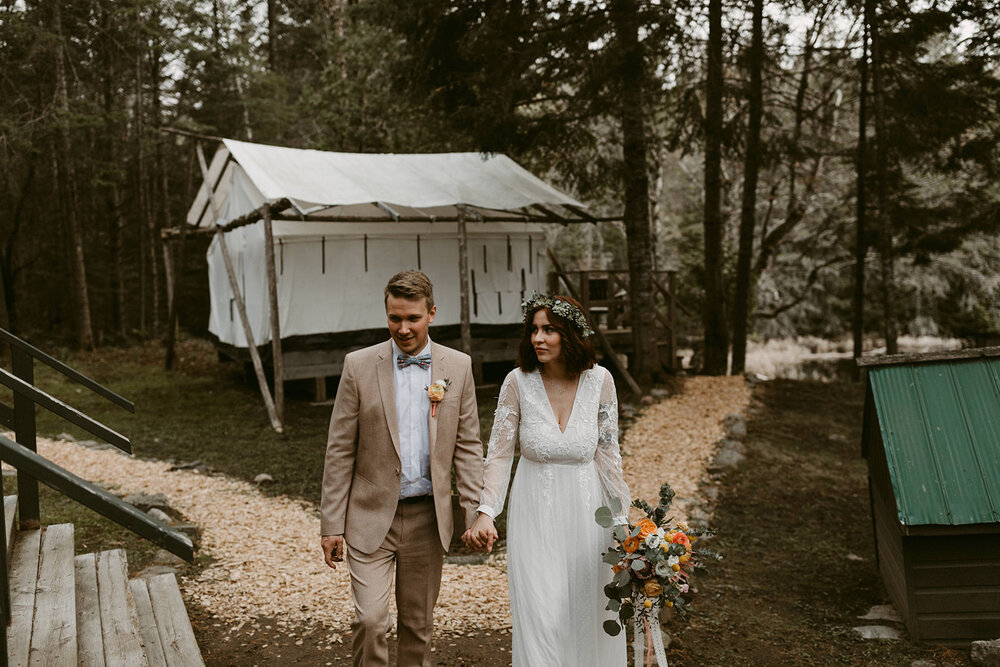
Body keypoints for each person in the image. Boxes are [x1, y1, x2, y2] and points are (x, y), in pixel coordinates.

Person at [320, 270, 484, 667]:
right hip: (368, 515)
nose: (404, 328)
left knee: (417, 624)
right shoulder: (358, 365)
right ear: (386, 314)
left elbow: (467, 446)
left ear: (431, 313)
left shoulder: (458, 366)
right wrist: (331, 524)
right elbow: (340, 448)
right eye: (395, 318)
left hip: (428, 518)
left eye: (413, 318)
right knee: (371, 620)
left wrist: (476, 513)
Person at [463, 293, 631, 666]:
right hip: (534, 512)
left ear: (570, 334)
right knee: (543, 614)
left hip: (589, 514)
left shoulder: (600, 381)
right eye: (534, 330)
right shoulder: (517, 383)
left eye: (549, 330)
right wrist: (486, 511)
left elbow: (608, 455)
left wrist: (623, 524)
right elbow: (500, 452)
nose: (538, 338)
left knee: (587, 610)